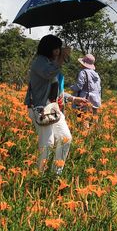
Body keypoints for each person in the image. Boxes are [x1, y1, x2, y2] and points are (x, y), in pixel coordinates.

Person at [24, 34, 82, 176]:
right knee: (48, 143)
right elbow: (48, 74)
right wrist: (61, 58)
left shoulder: (51, 63)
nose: (58, 51)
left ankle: (56, 174)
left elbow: (57, 91)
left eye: (59, 48)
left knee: (65, 138)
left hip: (54, 108)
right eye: (56, 49)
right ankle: (41, 176)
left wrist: (73, 99)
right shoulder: (40, 62)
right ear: (48, 49)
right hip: (40, 109)